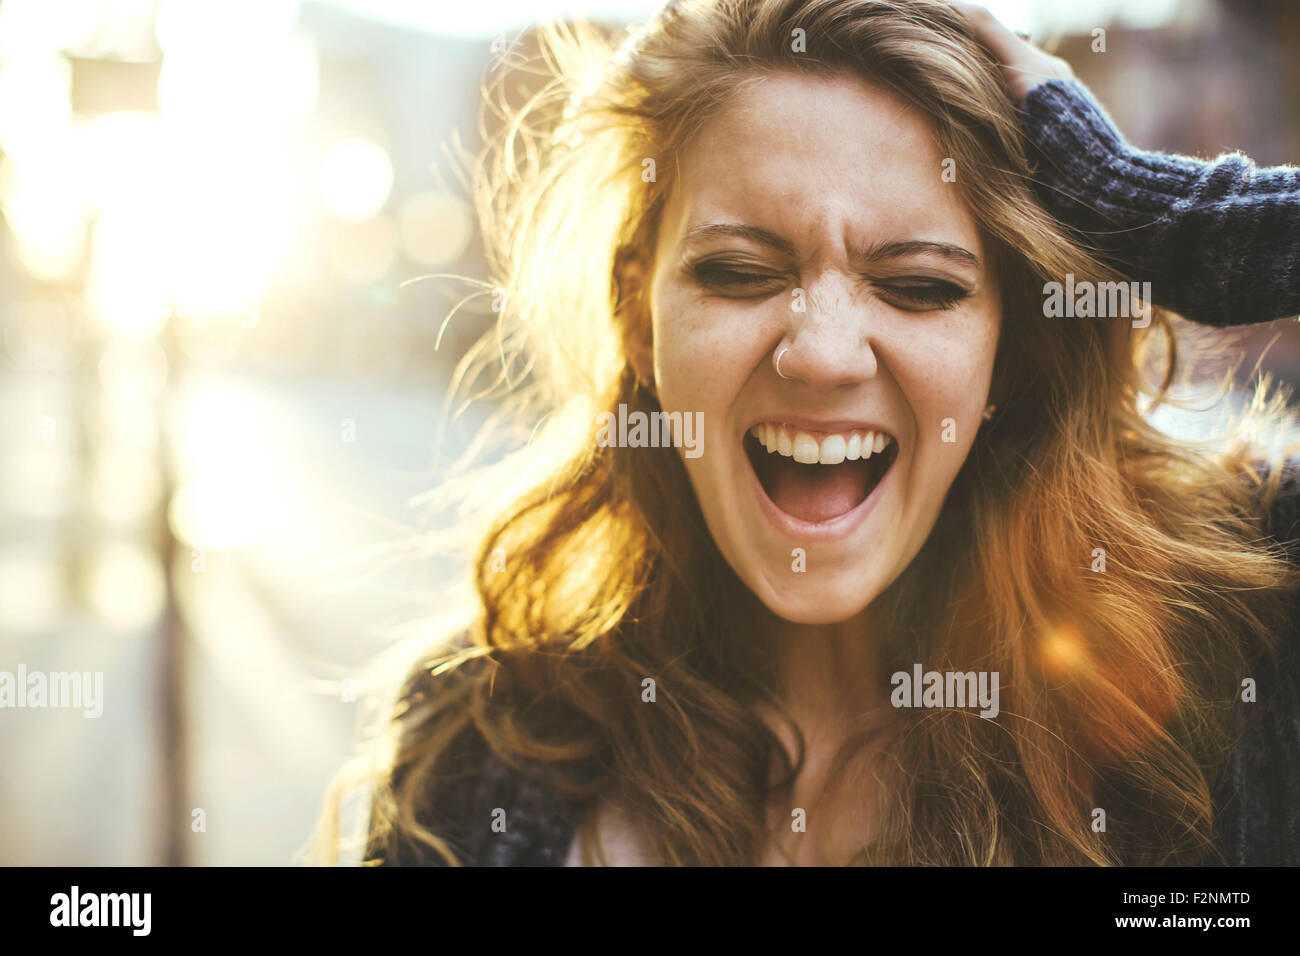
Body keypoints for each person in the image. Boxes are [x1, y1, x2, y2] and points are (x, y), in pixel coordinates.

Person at [316, 0, 1300, 867]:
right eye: (740, 271)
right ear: (636, 318)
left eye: (919, 286)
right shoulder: (474, 750)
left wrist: (1165, 216)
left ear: (1011, 349)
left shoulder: (1243, 644)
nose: (822, 356)